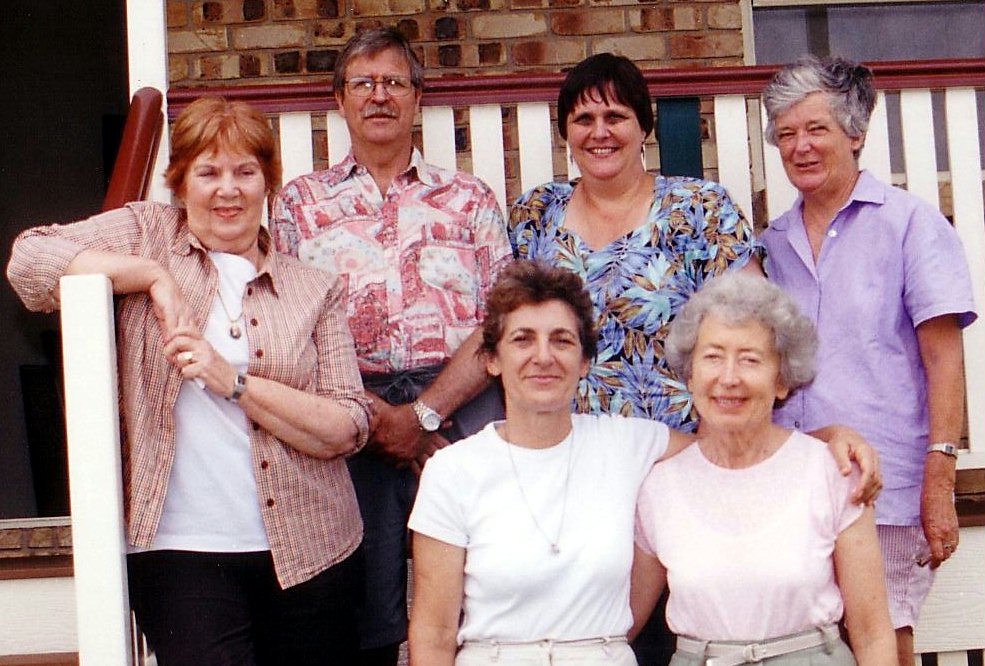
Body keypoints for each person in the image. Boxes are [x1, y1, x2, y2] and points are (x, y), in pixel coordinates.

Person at [508, 52, 867, 664]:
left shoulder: (697, 210)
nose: (600, 132)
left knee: (697, 625)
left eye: (617, 116)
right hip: (577, 472)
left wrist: (811, 434)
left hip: (689, 464)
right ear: (564, 131)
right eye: (584, 118)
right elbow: (512, 332)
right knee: (600, 627)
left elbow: (756, 328)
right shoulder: (536, 214)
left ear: (645, 127)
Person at [6, 97, 370, 665]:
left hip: (312, 550)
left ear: (267, 183)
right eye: (209, 172)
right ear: (179, 183)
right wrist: (151, 276)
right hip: (180, 552)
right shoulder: (147, 233)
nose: (228, 189)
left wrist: (235, 382)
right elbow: (29, 260)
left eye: (246, 172)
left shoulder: (313, 288)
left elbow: (348, 426)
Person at [407, 261, 882, 666]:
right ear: (491, 359)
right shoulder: (454, 471)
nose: (543, 357)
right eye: (522, 340)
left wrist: (827, 441)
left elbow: (739, 445)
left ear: (587, 361)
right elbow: (431, 631)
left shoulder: (628, 445)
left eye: (562, 341)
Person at [271, 27, 513, 666]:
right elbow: (287, 324)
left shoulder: (469, 199)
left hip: (461, 392)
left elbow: (500, 322)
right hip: (352, 401)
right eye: (363, 83)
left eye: (394, 83)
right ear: (340, 100)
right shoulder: (299, 204)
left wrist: (424, 415)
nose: (379, 96)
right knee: (364, 592)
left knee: (485, 570)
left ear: (417, 98)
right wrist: (378, 419)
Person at [759, 55, 977, 666]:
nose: (799, 146)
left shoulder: (910, 225)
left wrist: (941, 479)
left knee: (881, 642)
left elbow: (944, 360)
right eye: (786, 133)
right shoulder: (769, 244)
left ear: (855, 134)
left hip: (882, 485)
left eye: (816, 129)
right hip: (794, 481)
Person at [630, 272, 896, 666]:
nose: (729, 377)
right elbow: (621, 622)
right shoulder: (658, 486)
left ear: (783, 380)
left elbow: (872, 633)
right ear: (690, 376)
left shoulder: (833, 472)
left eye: (750, 359)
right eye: (713, 356)